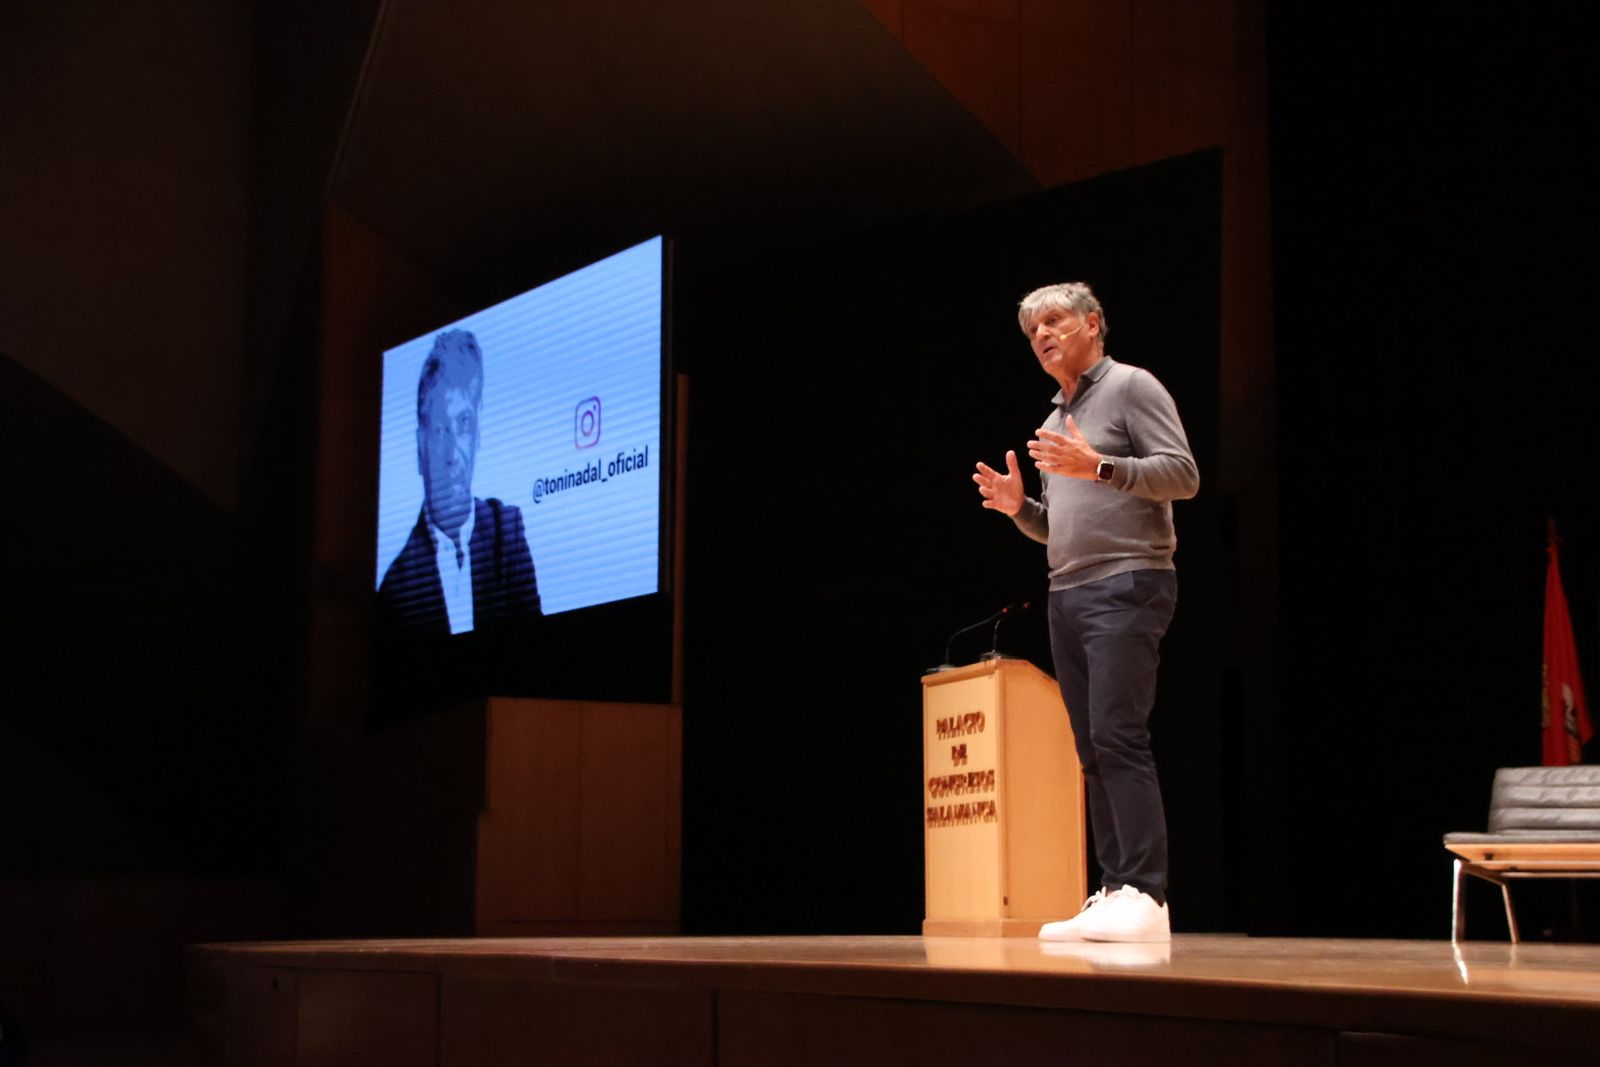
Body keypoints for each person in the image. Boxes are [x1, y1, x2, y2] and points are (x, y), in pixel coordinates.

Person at [972, 282, 1198, 943]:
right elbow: (1058, 526)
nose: (1042, 333)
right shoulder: (1050, 424)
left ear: (1093, 323)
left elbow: (1182, 475)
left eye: (1055, 320)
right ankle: (1113, 888)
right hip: (1067, 593)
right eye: (1032, 329)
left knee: (1119, 733)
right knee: (1092, 745)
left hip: (1129, 581)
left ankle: (1148, 895)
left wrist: (1099, 465)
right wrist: (1020, 508)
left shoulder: (1131, 388)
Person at [378, 328, 541, 636]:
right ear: (420, 446)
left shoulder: (508, 533)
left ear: (478, 433)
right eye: (441, 429)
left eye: (464, 424)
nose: (453, 453)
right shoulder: (396, 590)